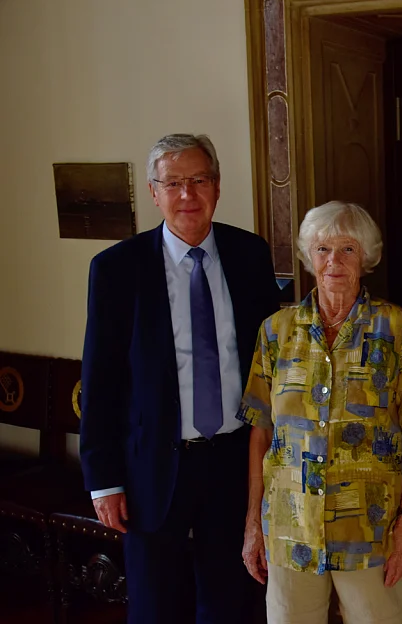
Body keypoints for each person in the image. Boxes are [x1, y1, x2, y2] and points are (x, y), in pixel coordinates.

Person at [80, 133, 280, 623]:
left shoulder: (250, 255)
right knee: (155, 605)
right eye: (172, 183)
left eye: (199, 180)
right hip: (152, 467)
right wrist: (103, 481)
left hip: (234, 461)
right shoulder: (117, 269)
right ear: (154, 192)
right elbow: (100, 380)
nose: (187, 194)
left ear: (217, 186)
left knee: (232, 601)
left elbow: (271, 361)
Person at [238, 201, 402, 624]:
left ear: (365, 258)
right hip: (291, 527)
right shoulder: (275, 331)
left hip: (372, 531)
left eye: (347, 249)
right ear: (308, 256)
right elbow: (261, 433)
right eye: (323, 249)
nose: (334, 261)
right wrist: (254, 522)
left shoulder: (395, 328)